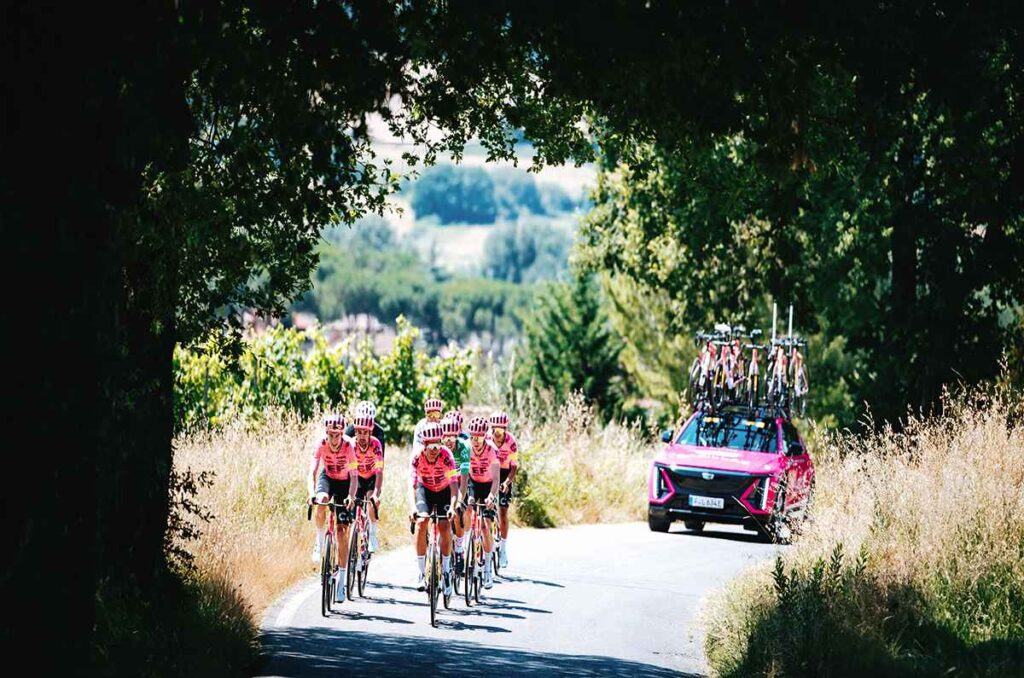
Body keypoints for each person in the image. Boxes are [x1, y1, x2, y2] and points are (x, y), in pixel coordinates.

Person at [308, 412, 358, 604]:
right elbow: (312, 471)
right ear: (326, 433)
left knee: (341, 531)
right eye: (331, 434)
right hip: (328, 478)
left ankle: (342, 583)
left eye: (338, 434)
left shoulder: (349, 446)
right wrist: (311, 492)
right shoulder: (321, 443)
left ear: (342, 433)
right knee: (320, 500)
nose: (334, 439)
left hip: (345, 483)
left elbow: (354, 476)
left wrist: (351, 497)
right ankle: (319, 541)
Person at [409, 421, 459, 594]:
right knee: (422, 522)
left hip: (444, 491)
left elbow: (454, 486)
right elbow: (412, 486)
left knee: (444, 526)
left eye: (438, 444)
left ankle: (445, 571)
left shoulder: (447, 457)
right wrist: (412, 508)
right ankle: (421, 572)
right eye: (431, 445)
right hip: (425, 490)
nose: (434, 449)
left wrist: (452, 507)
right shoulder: (417, 457)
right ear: (424, 444)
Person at [465, 416, 500, 588]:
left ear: (484, 437)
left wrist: (492, 497)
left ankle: (487, 567)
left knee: (486, 524)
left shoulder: (492, 450)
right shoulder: (467, 448)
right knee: (468, 508)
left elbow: (496, 480)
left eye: (478, 438)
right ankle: (464, 546)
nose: (475, 441)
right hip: (473, 482)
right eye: (472, 437)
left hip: (488, 485)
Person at [440, 414, 471, 572]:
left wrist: (459, 502)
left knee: (459, 513)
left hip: (460, 481)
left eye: (452, 436)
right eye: (446, 437)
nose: (449, 440)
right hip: (445, 481)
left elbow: (465, 480)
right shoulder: (438, 447)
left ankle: (459, 548)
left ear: (457, 435)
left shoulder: (464, 447)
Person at [351, 411, 384, 552]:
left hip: (371, 477)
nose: (362, 436)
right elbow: (349, 473)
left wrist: (376, 493)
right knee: (352, 504)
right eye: (359, 432)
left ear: (370, 433)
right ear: (355, 432)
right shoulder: (351, 445)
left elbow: (379, 471)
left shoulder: (376, 445)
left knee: (371, 500)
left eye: (366, 433)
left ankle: (372, 535)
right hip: (357, 477)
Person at [489, 410, 518, 568]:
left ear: (506, 430)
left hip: (506, 471)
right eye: (495, 430)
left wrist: (507, 482)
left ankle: (503, 548)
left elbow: (514, 467)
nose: (497, 433)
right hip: (490, 471)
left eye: (501, 430)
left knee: (503, 511)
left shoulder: (511, 441)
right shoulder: (486, 439)